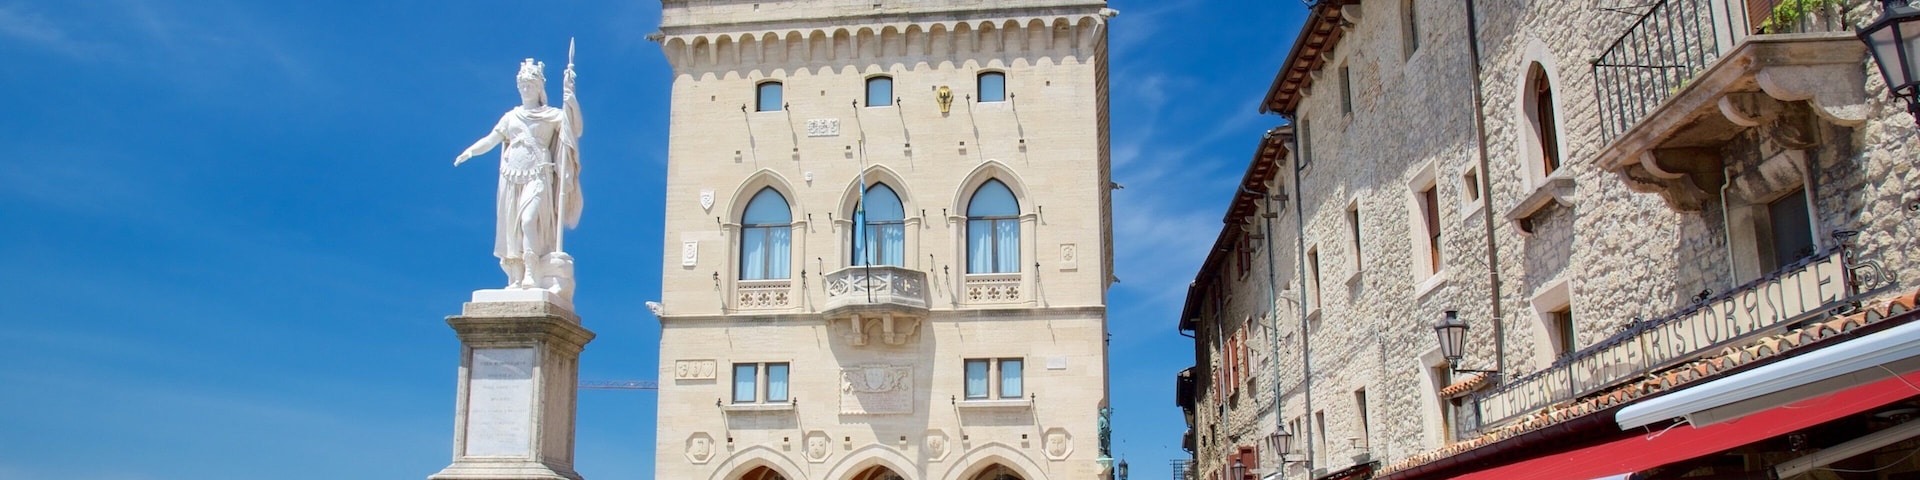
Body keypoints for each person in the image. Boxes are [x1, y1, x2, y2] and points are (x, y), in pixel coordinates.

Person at [454, 58, 583, 292]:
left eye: (530, 85)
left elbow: (574, 128)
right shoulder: (511, 117)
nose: (525, 89)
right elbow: (492, 139)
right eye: (522, 85)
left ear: (539, 88)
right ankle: (516, 276)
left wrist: (571, 99)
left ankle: (532, 273)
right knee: (512, 228)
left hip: (539, 173)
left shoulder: (551, 114)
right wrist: (470, 151)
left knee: (528, 220)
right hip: (511, 176)